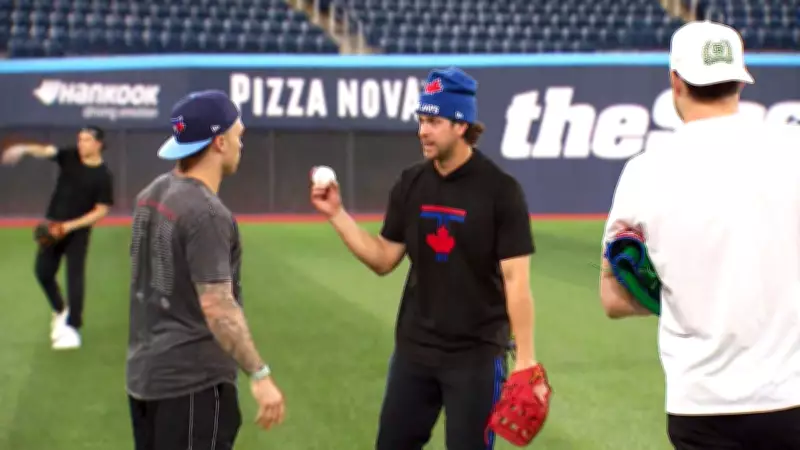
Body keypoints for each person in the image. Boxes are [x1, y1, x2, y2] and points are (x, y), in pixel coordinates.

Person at [310, 67, 550, 450]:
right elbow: (383, 258)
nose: (423, 130)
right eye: (421, 120)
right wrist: (337, 214)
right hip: (415, 352)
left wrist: (526, 358)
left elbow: (515, 281)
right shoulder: (411, 184)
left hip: (475, 355)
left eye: (433, 121)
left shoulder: (501, 191)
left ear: (461, 124)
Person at [599, 21, 800, 449]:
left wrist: (678, 299)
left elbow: (614, 298)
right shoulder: (793, 150)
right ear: (740, 80)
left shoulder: (644, 172)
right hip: (791, 398)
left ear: (676, 80)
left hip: (702, 406)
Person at [125, 90, 285, 450]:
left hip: (144, 377)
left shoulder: (149, 194)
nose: (241, 145)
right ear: (219, 142)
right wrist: (259, 374)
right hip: (192, 385)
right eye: (238, 136)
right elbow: (217, 306)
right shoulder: (207, 213)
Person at [1, 126, 113, 350]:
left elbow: (101, 210)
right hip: (52, 226)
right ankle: (60, 310)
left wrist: (69, 226)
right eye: (80, 139)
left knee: (75, 277)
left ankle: (73, 327)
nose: (82, 144)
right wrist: (23, 149)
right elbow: (46, 151)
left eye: (87, 140)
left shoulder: (103, 175)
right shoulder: (70, 156)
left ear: (99, 144)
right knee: (42, 272)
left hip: (76, 231)